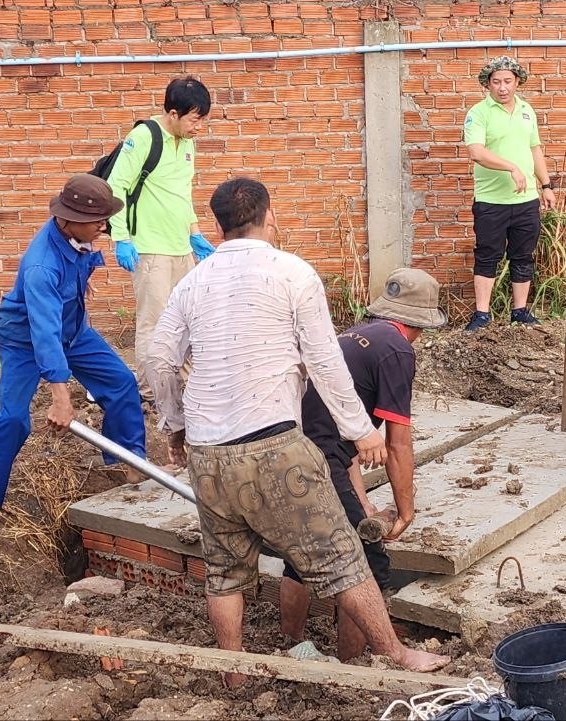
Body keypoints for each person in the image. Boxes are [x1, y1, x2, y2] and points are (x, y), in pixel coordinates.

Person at [144, 178, 449, 684]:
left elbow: (159, 358)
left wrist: (174, 424)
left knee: (225, 572)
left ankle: (234, 674)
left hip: (207, 452)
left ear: (218, 225)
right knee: (344, 556)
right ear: (269, 216)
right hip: (273, 446)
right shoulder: (292, 272)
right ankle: (397, 653)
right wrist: (361, 430)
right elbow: (324, 360)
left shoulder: (191, 283)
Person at [278, 267, 447, 662]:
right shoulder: (397, 350)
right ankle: (351, 665)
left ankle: (293, 643)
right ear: (420, 324)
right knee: (364, 561)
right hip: (321, 459)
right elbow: (398, 443)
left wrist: (363, 503)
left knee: (301, 553)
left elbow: (348, 439)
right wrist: (405, 510)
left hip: (291, 449)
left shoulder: (353, 337)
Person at [0, 175, 146, 524]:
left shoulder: (78, 238)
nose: (103, 226)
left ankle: (126, 463)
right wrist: (61, 398)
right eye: (96, 221)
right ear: (68, 220)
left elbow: (75, 270)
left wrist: (78, 286)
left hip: (72, 330)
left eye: (104, 218)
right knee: (13, 418)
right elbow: (44, 334)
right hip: (25, 340)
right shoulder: (42, 266)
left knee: (121, 383)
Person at [105, 76, 214, 397]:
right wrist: (121, 238)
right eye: (194, 120)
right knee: (154, 323)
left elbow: (182, 193)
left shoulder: (188, 142)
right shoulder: (144, 137)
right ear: (173, 113)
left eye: (203, 120)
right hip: (150, 248)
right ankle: (150, 392)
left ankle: (186, 386)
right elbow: (116, 185)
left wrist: (195, 233)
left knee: (189, 318)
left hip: (182, 247)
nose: (199, 127)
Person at [462, 55, 556, 332]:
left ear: (517, 82)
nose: (502, 87)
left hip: (526, 201)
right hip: (491, 201)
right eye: (496, 82)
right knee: (487, 255)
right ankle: (482, 315)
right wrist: (511, 167)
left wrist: (546, 185)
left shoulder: (527, 111)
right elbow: (476, 152)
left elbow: (534, 149)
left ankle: (520, 312)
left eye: (507, 81)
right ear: (487, 84)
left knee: (523, 255)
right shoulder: (479, 113)